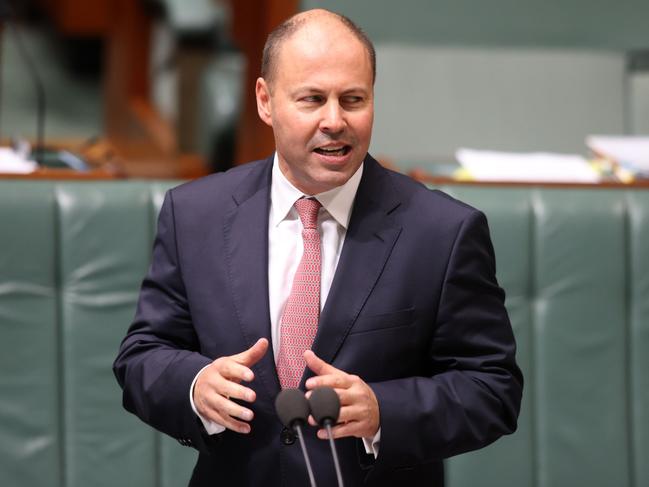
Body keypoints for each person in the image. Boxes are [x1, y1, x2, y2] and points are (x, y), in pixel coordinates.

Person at [114, 8, 523, 487]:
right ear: (265, 101)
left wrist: (382, 411)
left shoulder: (443, 231)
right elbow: (143, 355)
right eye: (312, 99)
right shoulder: (195, 214)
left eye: (353, 99)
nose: (335, 121)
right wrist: (195, 386)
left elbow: (493, 388)